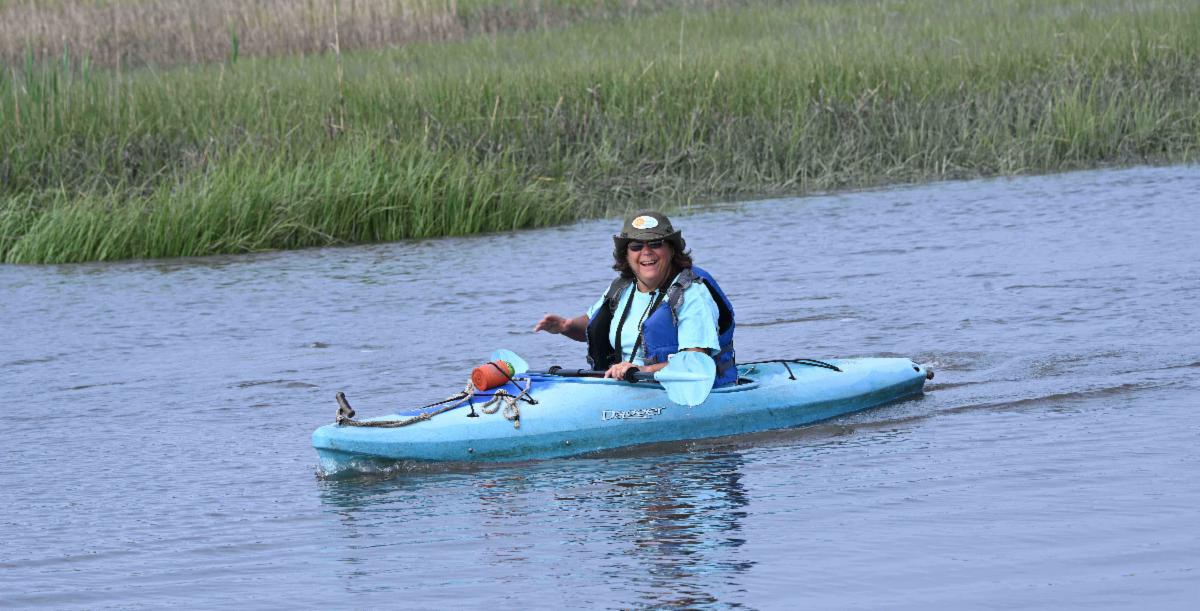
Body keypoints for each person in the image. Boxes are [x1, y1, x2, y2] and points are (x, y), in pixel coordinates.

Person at [533, 210, 737, 387]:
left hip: (676, 391)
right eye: (636, 246)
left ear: (672, 249)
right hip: (627, 386)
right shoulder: (621, 289)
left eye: (656, 244)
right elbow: (590, 325)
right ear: (626, 254)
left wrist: (641, 369)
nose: (646, 252)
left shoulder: (693, 294)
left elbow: (696, 364)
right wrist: (566, 326)